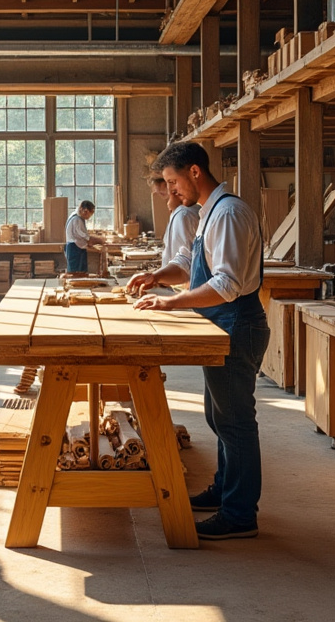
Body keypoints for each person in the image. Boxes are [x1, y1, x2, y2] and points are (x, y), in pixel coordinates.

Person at [128, 142, 269, 540]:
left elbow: (226, 283)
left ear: (194, 172)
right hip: (221, 323)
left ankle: (240, 514)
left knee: (237, 422)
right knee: (219, 416)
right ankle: (225, 490)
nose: (172, 193)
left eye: (174, 183)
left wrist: (171, 303)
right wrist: (157, 276)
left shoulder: (228, 213)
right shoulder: (209, 212)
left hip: (236, 321)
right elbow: (191, 266)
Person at [152, 175, 200, 268]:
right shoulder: (179, 212)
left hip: (179, 277)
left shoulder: (183, 214)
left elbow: (185, 258)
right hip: (174, 275)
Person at [63, 200, 105, 273]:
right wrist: (98, 240)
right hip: (75, 248)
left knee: (82, 272)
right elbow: (83, 235)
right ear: (83, 210)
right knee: (75, 273)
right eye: (88, 214)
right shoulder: (76, 219)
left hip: (78, 247)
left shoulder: (78, 217)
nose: (88, 216)